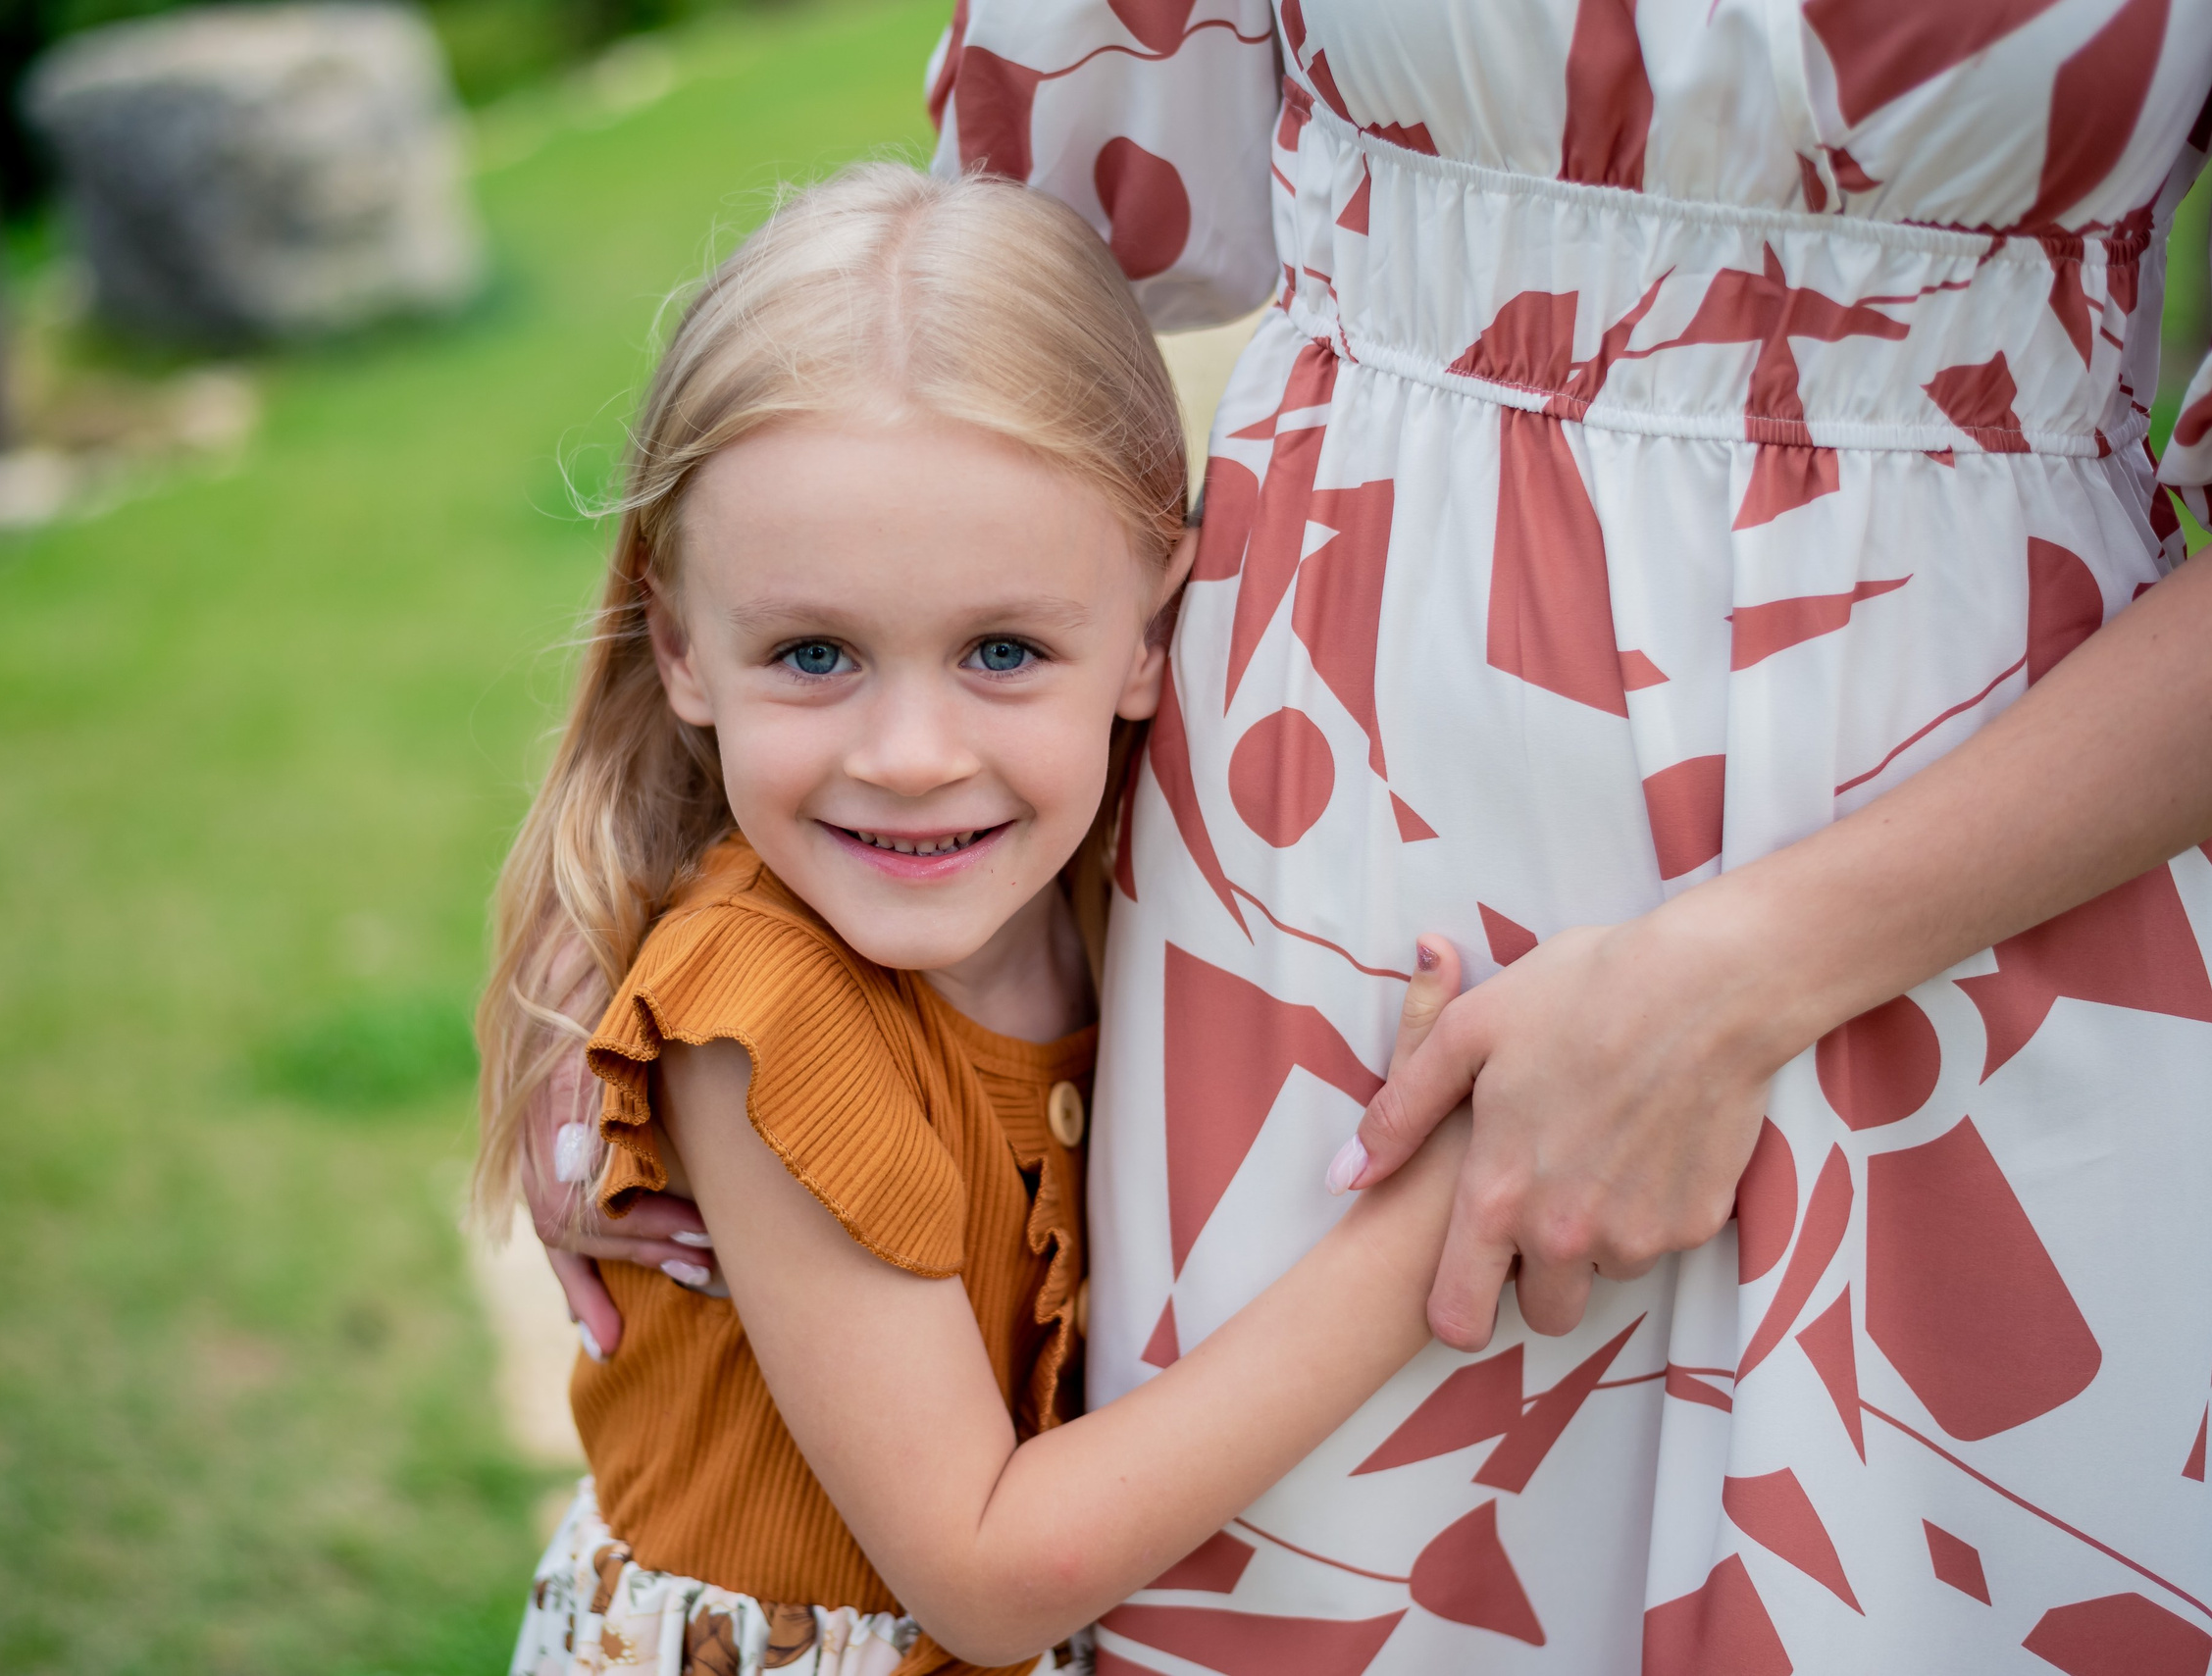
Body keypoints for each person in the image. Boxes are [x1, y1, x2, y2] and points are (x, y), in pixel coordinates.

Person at [904, 3, 2212, 1672]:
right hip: (1341, 900)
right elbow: (997, 268)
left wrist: (1743, 974)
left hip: (2005, 885)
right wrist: (671, 886)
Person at [474, 163, 1476, 1676]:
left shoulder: (1142, 881)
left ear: (1151, 630)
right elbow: (992, 1572)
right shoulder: (762, 1016)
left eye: (1001, 648)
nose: (912, 754)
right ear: (682, 649)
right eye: (815, 654)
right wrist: (1432, 1223)